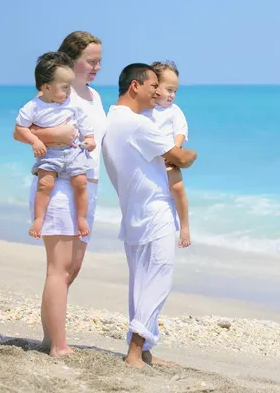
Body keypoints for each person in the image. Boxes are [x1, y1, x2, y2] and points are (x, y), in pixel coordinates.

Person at [13, 31, 106, 357]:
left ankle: (50, 338)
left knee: (72, 268)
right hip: (61, 187)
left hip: (87, 183)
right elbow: (24, 131)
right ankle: (58, 345)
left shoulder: (93, 97)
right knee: (59, 267)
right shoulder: (57, 93)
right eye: (91, 61)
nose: (96, 67)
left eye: (99, 61)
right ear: (71, 59)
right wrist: (56, 134)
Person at [102, 63, 197, 368]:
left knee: (140, 283)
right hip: (154, 211)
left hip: (131, 210)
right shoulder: (138, 125)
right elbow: (180, 156)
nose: (158, 92)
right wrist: (192, 153)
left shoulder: (112, 119)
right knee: (158, 279)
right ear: (135, 87)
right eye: (153, 85)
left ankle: (143, 351)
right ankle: (135, 351)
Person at [15, 51, 96, 239]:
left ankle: (81, 218)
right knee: (45, 184)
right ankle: (38, 219)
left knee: (81, 182)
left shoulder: (72, 103)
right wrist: (35, 141)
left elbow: (84, 123)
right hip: (50, 153)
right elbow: (20, 128)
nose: (68, 92)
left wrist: (90, 138)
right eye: (65, 87)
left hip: (74, 150)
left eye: (69, 87)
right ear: (46, 87)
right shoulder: (33, 107)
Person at [142, 61, 191, 248]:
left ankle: (184, 225)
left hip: (170, 158)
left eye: (175, 91)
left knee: (177, 188)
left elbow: (181, 131)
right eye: (169, 89)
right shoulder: (147, 110)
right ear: (155, 87)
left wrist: (174, 149)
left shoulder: (174, 111)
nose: (172, 95)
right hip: (151, 159)